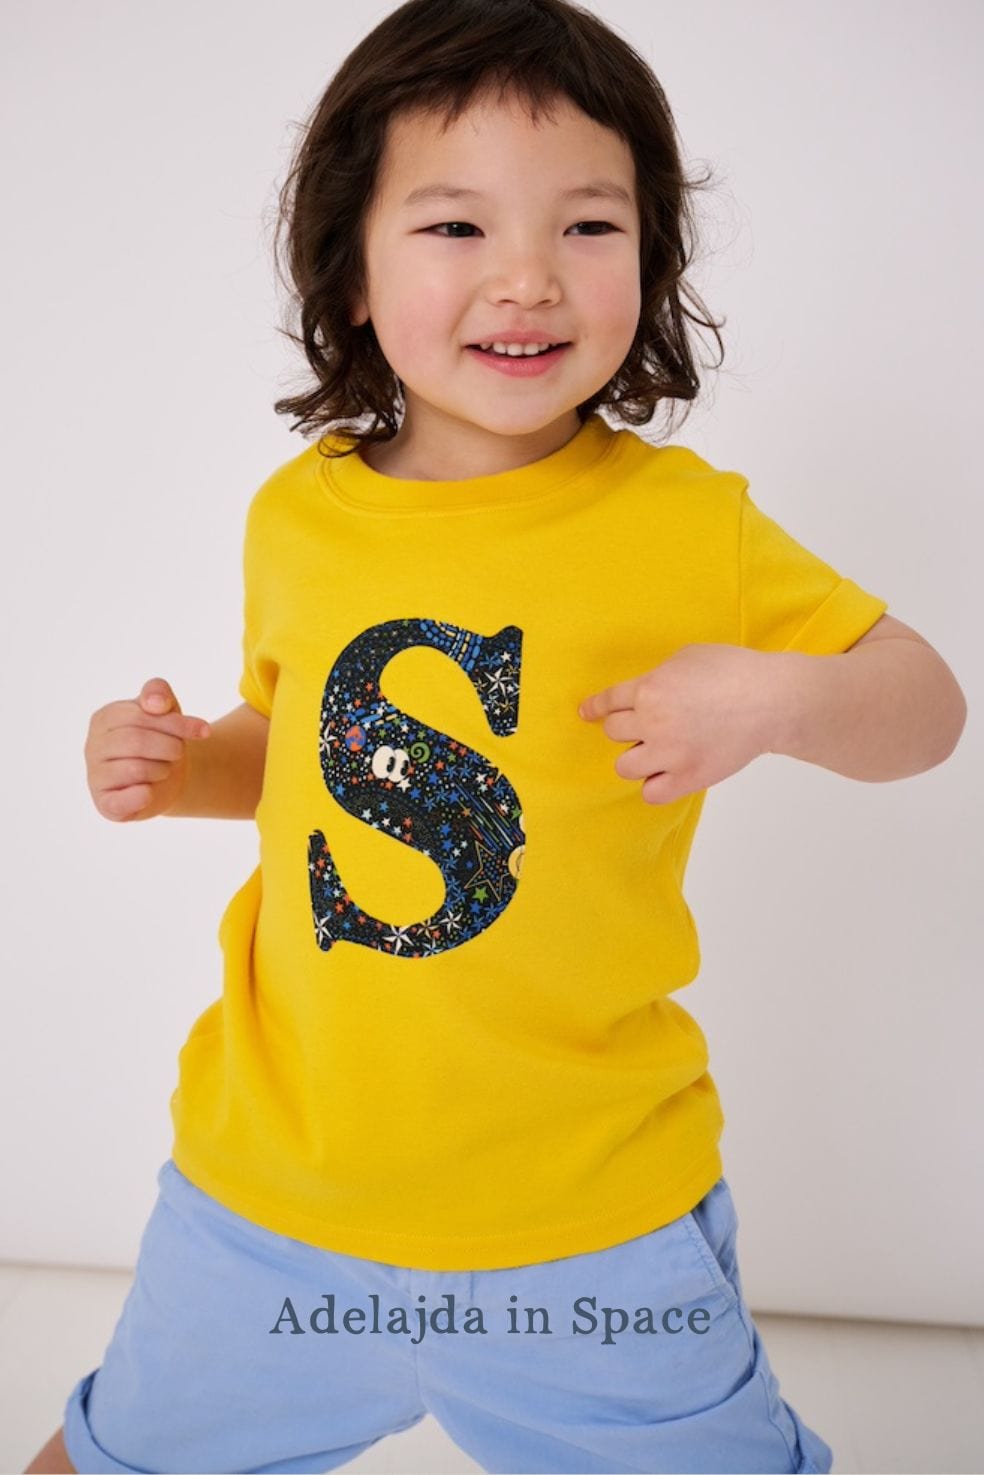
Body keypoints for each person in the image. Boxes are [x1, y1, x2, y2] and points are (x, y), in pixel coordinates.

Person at [27, 1, 967, 1472]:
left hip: (589, 1231)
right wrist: (186, 766)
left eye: (589, 225)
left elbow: (929, 705)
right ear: (350, 269)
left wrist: (775, 700)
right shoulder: (297, 519)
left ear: (651, 257)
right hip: (270, 1212)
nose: (528, 277)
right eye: (457, 227)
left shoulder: (687, 525)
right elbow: (308, 752)